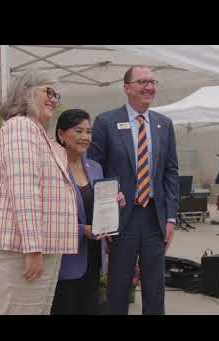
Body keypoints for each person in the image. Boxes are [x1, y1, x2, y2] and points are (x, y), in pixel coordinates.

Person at [0, 69, 79, 315]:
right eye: (49, 91)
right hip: (19, 251)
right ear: (25, 93)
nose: (55, 99)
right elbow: (24, 191)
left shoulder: (38, 134)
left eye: (58, 94)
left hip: (35, 249)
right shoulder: (21, 127)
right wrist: (33, 249)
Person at [87, 66, 179, 315]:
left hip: (154, 219)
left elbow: (171, 173)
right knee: (117, 289)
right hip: (120, 218)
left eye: (153, 81)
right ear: (127, 88)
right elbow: (94, 170)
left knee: (155, 288)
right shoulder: (106, 122)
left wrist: (171, 217)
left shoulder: (164, 124)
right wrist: (102, 214)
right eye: (142, 82)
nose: (149, 87)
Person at [50, 109, 125, 315]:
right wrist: (82, 229)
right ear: (61, 134)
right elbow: (47, 217)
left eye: (89, 132)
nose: (85, 137)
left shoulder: (95, 167)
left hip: (92, 258)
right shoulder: (52, 169)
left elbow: (97, 208)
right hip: (64, 259)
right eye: (78, 131)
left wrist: (113, 202)